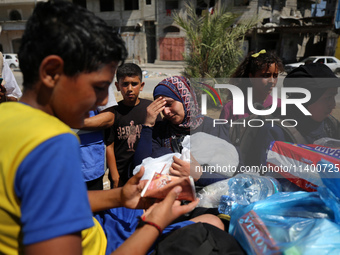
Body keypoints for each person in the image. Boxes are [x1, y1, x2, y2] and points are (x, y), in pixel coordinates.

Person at [0, 1, 209, 254]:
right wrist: (155, 223)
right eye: (99, 87)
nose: (102, 101)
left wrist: (118, 197)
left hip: (100, 227)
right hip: (104, 245)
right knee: (210, 225)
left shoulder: (6, 115)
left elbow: (46, 202)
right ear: (52, 72)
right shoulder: (53, 142)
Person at [134, 76, 237, 187]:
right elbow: (140, 170)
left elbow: (234, 178)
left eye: (169, 104)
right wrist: (148, 125)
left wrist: (199, 175)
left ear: (185, 100)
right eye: (161, 107)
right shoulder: (159, 131)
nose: (166, 112)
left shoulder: (215, 128)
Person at [250, 63, 340, 168]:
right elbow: (267, 178)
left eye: (334, 97)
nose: (333, 105)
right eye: (328, 98)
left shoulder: (331, 126)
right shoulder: (275, 133)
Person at [105, 63, 161, 187]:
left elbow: (159, 142)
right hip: (122, 176)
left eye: (134, 84)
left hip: (147, 173)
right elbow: (109, 146)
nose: (129, 88)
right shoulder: (114, 112)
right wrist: (115, 177)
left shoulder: (150, 109)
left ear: (141, 86)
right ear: (117, 86)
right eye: (125, 84)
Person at [219, 49, 284, 121]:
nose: (272, 81)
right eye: (265, 76)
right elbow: (222, 131)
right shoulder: (231, 108)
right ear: (251, 77)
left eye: (275, 76)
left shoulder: (281, 107)